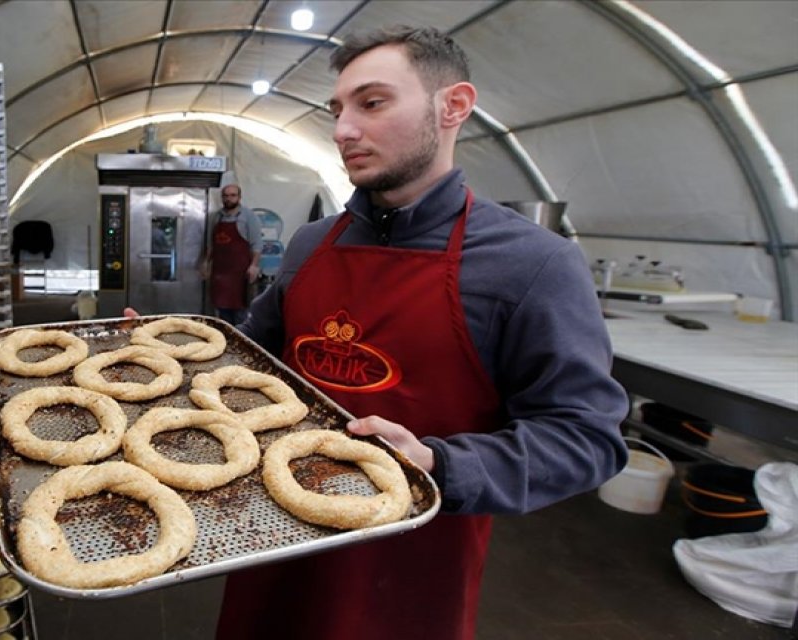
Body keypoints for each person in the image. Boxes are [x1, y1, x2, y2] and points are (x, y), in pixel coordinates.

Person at [213, 26, 631, 640]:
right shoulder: (311, 244)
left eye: (372, 103)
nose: (342, 129)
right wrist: (161, 351)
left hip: (408, 564)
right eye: (337, 110)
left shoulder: (531, 264)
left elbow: (587, 438)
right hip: (269, 534)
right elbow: (253, 350)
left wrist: (439, 462)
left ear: (453, 106)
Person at [201, 184, 263, 324]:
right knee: (223, 315)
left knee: (241, 316)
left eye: (233, 195)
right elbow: (211, 244)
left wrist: (254, 265)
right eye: (226, 196)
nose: (229, 199)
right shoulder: (216, 217)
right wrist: (206, 262)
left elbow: (257, 244)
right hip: (220, 274)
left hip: (240, 275)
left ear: (239, 197)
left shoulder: (248, 217)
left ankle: (240, 343)